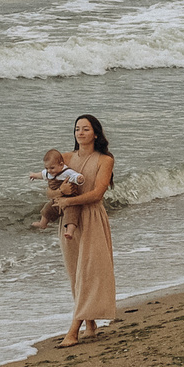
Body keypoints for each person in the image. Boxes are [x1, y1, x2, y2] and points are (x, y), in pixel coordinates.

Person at [48, 113, 115, 347]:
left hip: (93, 217)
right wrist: (60, 195)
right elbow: (50, 191)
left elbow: (98, 193)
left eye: (86, 129)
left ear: (95, 133)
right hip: (69, 220)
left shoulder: (105, 159)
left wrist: (70, 201)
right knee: (75, 273)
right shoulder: (65, 159)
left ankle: (73, 330)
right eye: (77, 129)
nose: (80, 133)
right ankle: (90, 324)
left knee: (89, 272)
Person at [29, 148, 82, 230]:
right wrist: (34, 175)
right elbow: (42, 175)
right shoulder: (49, 172)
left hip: (69, 199)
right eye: (47, 168)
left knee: (71, 213)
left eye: (52, 168)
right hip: (56, 199)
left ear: (61, 165)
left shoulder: (66, 172)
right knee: (47, 209)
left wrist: (79, 178)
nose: (49, 171)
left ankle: (70, 231)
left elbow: (74, 175)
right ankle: (42, 223)